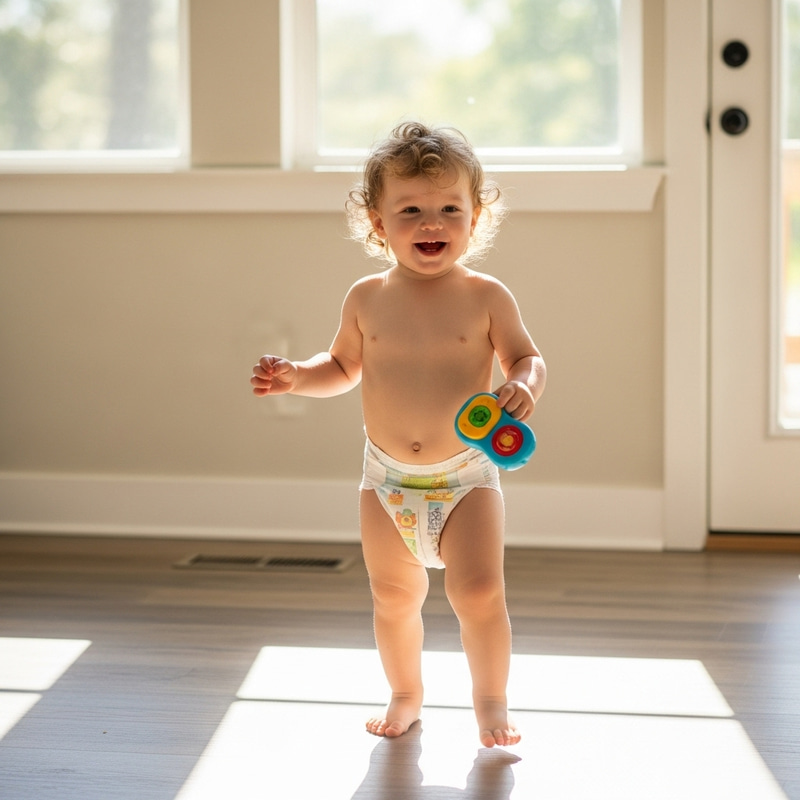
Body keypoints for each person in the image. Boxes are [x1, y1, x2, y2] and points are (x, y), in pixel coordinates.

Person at [251, 122, 546, 748]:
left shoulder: (486, 296)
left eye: (448, 209)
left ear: (475, 217)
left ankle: (491, 700)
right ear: (378, 222)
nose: (430, 223)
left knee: (480, 591)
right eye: (410, 209)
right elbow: (341, 368)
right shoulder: (366, 298)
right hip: (385, 481)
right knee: (392, 596)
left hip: (464, 477)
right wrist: (297, 378)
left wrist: (525, 384)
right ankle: (405, 693)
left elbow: (527, 358)